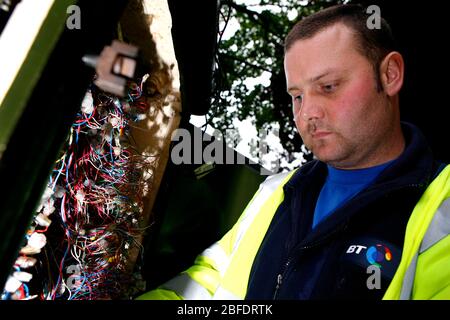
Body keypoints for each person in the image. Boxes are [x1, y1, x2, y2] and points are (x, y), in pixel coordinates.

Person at [137, 3, 450, 300]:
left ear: (390, 74)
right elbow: (210, 279)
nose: (308, 113)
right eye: (297, 96)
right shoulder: (275, 191)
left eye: (328, 86)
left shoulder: (442, 210)